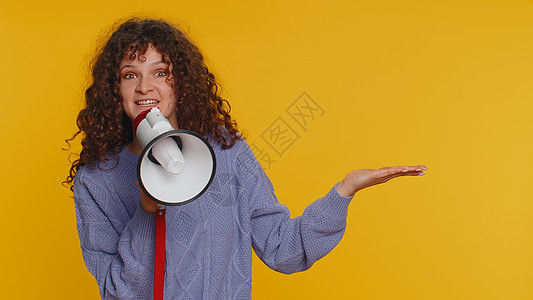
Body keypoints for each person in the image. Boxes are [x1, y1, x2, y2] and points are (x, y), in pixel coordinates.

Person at [65, 18, 427, 300]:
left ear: (181, 82)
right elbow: (118, 292)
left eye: (160, 72)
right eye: (131, 75)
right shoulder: (97, 181)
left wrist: (344, 191)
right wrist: (146, 211)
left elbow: (284, 250)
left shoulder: (227, 152)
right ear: (115, 89)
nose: (145, 87)